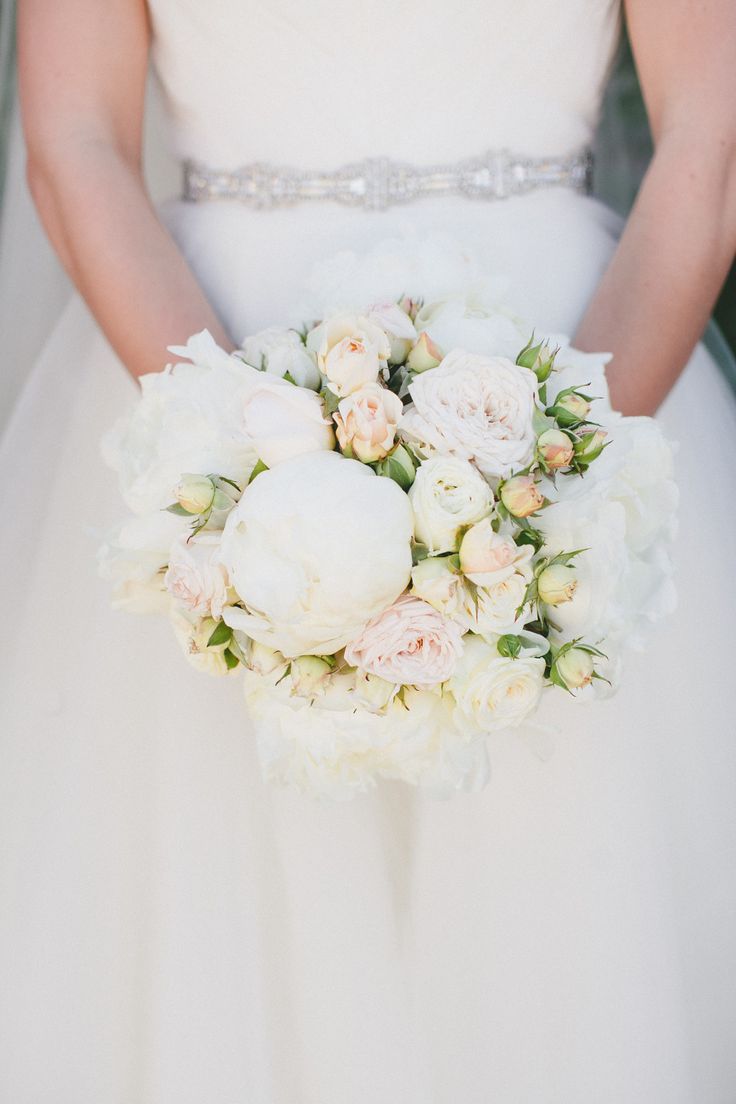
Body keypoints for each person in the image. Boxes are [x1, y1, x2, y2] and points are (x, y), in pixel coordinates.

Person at [1, 1, 735, 1100]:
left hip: (570, 364)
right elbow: (74, 142)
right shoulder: (214, 431)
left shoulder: (567, 452)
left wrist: (553, 492)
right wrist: (236, 464)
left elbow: (712, 132)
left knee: (559, 907)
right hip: (198, 355)